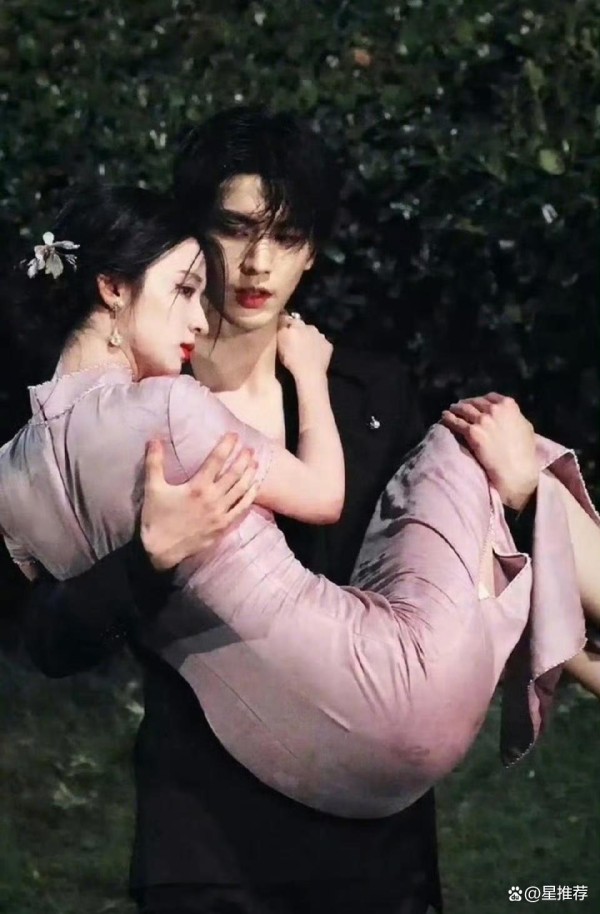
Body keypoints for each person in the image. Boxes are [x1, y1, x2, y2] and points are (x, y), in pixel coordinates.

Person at [10, 116, 598, 914]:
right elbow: (48, 640)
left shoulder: (369, 392)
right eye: (235, 230)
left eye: (286, 237)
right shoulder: (128, 413)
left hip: (373, 850)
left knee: (502, 449)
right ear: (190, 236)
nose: (258, 263)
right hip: (211, 848)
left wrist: (522, 493)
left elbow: (443, 583)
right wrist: (147, 559)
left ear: (312, 252)